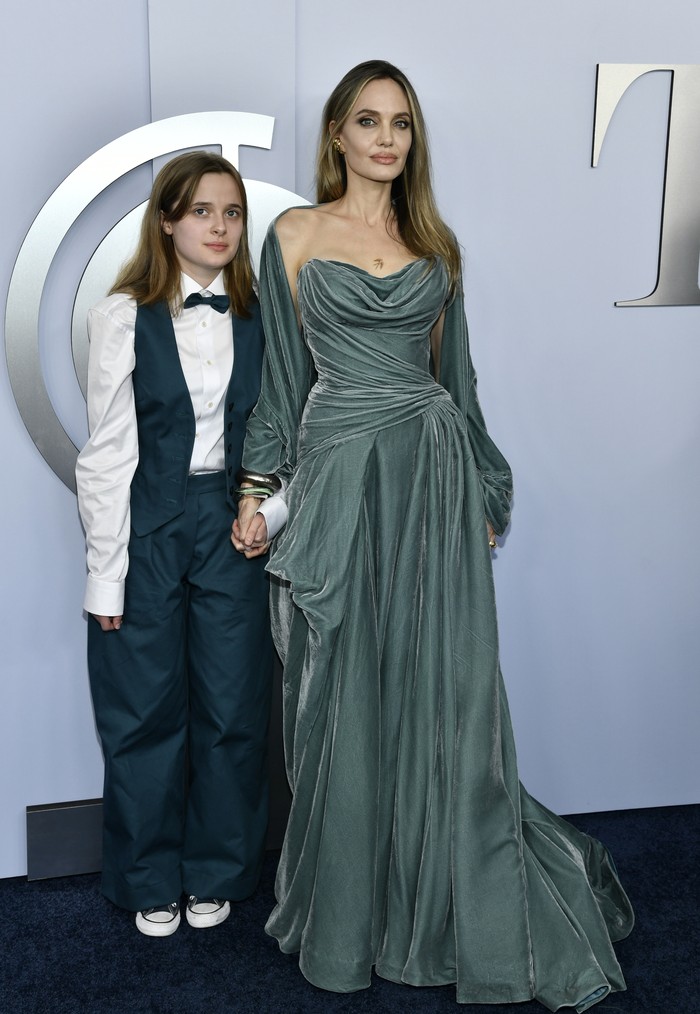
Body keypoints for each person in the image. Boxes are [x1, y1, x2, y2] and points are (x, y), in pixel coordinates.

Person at [232, 60, 634, 1009]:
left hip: (433, 480)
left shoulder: (437, 246)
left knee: (445, 692)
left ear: (412, 140)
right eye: (366, 121)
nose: (384, 138)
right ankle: (352, 912)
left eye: (400, 124)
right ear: (335, 134)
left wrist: (487, 484)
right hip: (339, 478)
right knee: (344, 692)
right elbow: (282, 386)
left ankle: (456, 889)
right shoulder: (291, 234)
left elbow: (459, 379)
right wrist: (259, 491)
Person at [76, 151, 285, 937]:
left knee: (233, 707)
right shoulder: (122, 316)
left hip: (236, 527)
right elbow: (104, 454)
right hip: (148, 522)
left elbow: (293, 436)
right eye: (202, 211)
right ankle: (146, 875)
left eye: (231, 212)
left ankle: (218, 869)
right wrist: (105, 576)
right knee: (142, 710)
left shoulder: (269, 318)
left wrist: (272, 510)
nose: (220, 226)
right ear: (167, 221)